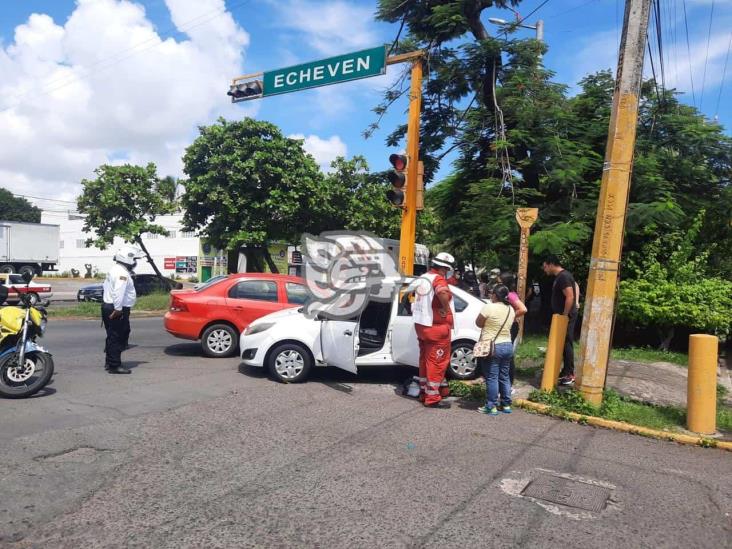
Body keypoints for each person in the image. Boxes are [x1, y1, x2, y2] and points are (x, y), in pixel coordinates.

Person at [412, 252, 456, 408]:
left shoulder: (423, 278)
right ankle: (432, 398)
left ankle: (424, 392)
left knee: (425, 360)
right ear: (445, 268)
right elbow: (442, 292)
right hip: (436, 327)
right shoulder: (438, 279)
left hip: (421, 326)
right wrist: (447, 310)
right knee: (437, 362)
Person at [474, 284, 515, 415]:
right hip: (508, 345)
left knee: (492, 377)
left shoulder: (489, 307)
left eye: (492, 293)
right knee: (504, 376)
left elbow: (478, 323)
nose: (490, 295)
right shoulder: (511, 309)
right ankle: (506, 405)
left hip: (492, 347)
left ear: (495, 295)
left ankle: (491, 406)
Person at [102, 245, 142, 374]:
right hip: (116, 308)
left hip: (109, 306)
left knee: (112, 335)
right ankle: (114, 365)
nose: (135, 262)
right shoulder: (121, 273)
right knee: (117, 336)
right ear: (127, 258)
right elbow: (118, 292)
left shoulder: (115, 269)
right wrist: (118, 309)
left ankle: (110, 361)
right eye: (134, 259)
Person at [541, 255, 578, 385]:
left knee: (567, 343)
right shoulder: (561, 277)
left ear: (551, 264)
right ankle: (565, 370)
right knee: (562, 343)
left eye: (545, 266)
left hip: (566, 315)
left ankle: (570, 373)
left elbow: (570, 296)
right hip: (561, 315)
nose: (544, 269)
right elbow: (575, 288)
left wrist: (565, 314)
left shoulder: (564, 276)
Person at [498, 271, 528, 388]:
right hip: (507, 326)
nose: (497, 285)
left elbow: (523, 309)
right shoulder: (506, 294)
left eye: (499, 282)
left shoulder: (511, 295)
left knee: (508, 356)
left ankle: (509, 384)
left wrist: (510, 316)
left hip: (511, 327)